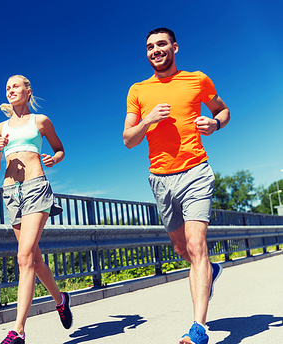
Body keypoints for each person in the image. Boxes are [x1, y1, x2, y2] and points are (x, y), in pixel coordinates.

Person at [123, 28, 230, 344]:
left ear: (175, 47)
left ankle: (198, 329)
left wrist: (215, 123)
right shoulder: (138, 90)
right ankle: (210, 271)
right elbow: (129, 140)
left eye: (161, 44)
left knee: (197, 246)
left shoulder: (197, 79)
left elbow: (222, 110)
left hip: (196, 171)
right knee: (181, 248)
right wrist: (148, 120)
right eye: (149, 46)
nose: (155, 50)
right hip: (160, 179)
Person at [0, 75, 73, 344]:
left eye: (15, 86)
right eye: (7, 88)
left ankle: (18, 331)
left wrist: (54, 159)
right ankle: (61, 300)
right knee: (34, 261)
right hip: (11, 192)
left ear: (28, 91)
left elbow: (59, 149)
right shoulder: (0, 127)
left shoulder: (40, 121)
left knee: (24, 257)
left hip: (36, 187)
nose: (11, 90)